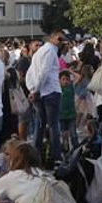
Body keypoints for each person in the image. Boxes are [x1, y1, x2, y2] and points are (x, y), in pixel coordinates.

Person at [26, 29, 65, 164]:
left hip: (41, 92)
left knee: (40, 125)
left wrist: (32, 89)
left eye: (63, 40)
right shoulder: (49, 51)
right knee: (53, 125)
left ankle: (36, 157)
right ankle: (57, 158)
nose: (61, 42)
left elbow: (30, 73)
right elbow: (44, 72)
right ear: (52, 38)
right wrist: (35, 90)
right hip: (50, 91)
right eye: (60, 39)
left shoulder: (40, 52)